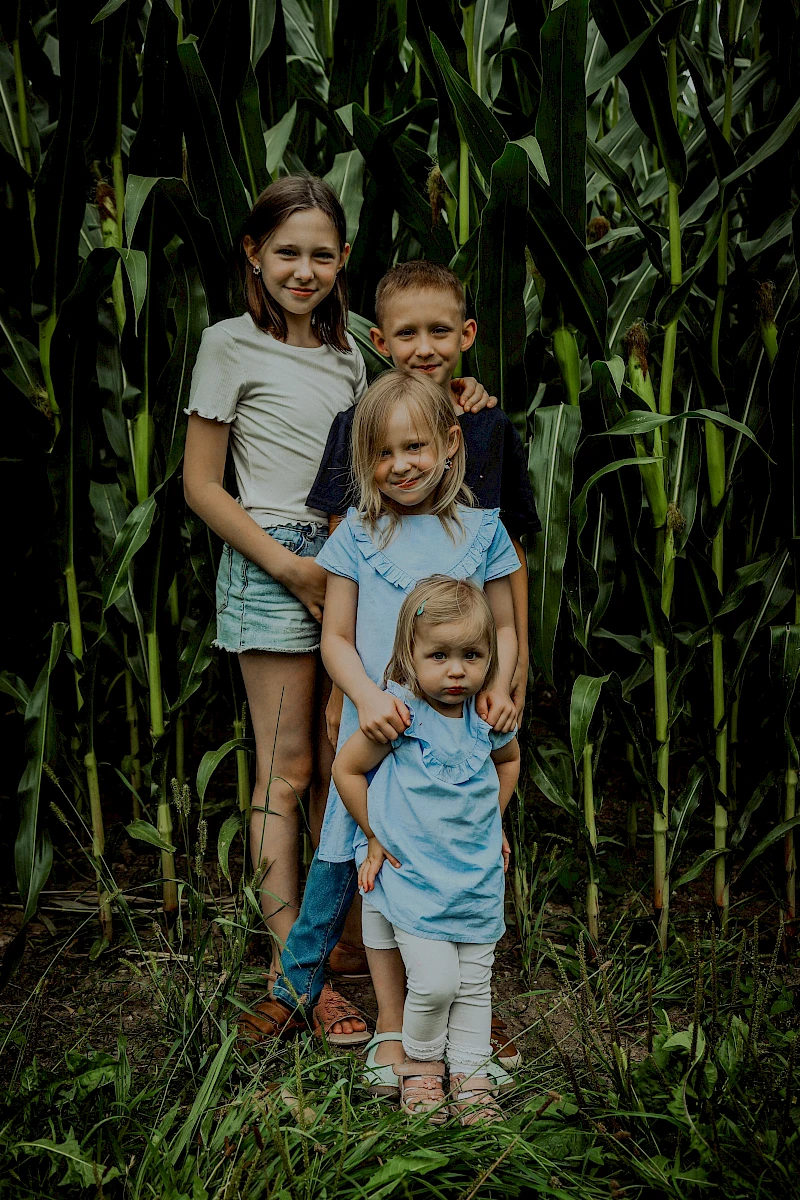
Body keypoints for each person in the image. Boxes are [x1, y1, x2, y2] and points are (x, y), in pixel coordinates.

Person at [182, 176, 495, 1043]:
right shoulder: (226, 344)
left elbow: (408, 407)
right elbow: (201, 486)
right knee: (285, 770)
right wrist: (296, 569)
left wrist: (462, 393)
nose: (304, 270)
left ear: (343, 260)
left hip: (362, 559)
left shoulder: (352, 352)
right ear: (253, 254)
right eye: (286, 252)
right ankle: (296, 973)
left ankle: (353, 943)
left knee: (342, 758)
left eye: (322, 254)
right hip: (277, 559)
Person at [259, 368, 520, 1063]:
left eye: (415, 447)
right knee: (354, 860)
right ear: (363, 461)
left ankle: (459, 1007)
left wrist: (500, 685)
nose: (401, 465)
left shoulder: (483, 531)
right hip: (378, 730)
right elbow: (336, 638)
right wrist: (367, 699)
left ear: (451, 444)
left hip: (452, 728)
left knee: (442, 857)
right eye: (383, 453)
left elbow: (504, 624)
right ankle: (338, 1000)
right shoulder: (357, 536)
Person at [333, 576, 520, 1124]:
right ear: (410, 656)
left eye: (471, 656)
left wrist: (492, 818)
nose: (456, 671)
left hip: (475, 878)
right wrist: (375, 833)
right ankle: (420, 1064)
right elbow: (347, 770)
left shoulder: (487, 720)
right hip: (415, 875)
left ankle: (470, 1072)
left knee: (475, 983)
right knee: (436, 983)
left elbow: (509, 762)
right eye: (439, 656)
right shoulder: (400, 716)